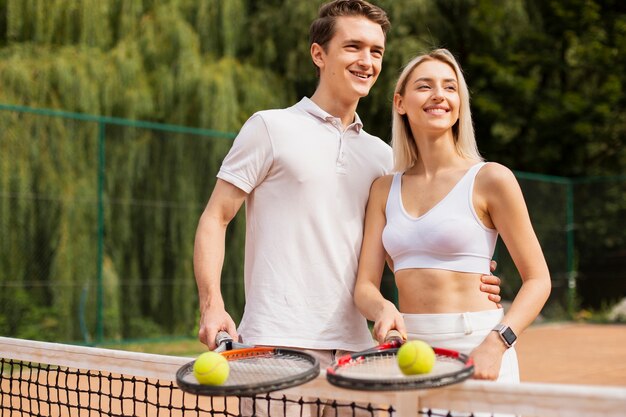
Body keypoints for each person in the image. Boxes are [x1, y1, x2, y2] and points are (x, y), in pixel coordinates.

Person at [193, 2, 502, 414]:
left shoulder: (382, 157)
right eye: (353, 46)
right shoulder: (270, 127)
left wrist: (465, 276)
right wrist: (211, 303)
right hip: (275, 345)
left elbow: (400, 248)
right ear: (319, 54)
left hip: (359, 353)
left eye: (376, 51)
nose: (367, 61)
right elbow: (216, 217)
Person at [354, 48, 551, 385]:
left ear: (460, 103)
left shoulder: (492, 179)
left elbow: (538, 280)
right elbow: (365, 286)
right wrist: (383, 310)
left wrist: (498, 342)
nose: (439, 96)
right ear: (400, 103)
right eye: (425, 86)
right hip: (411, 350)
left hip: (478, 344)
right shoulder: (383, 189)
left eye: (450, 87)